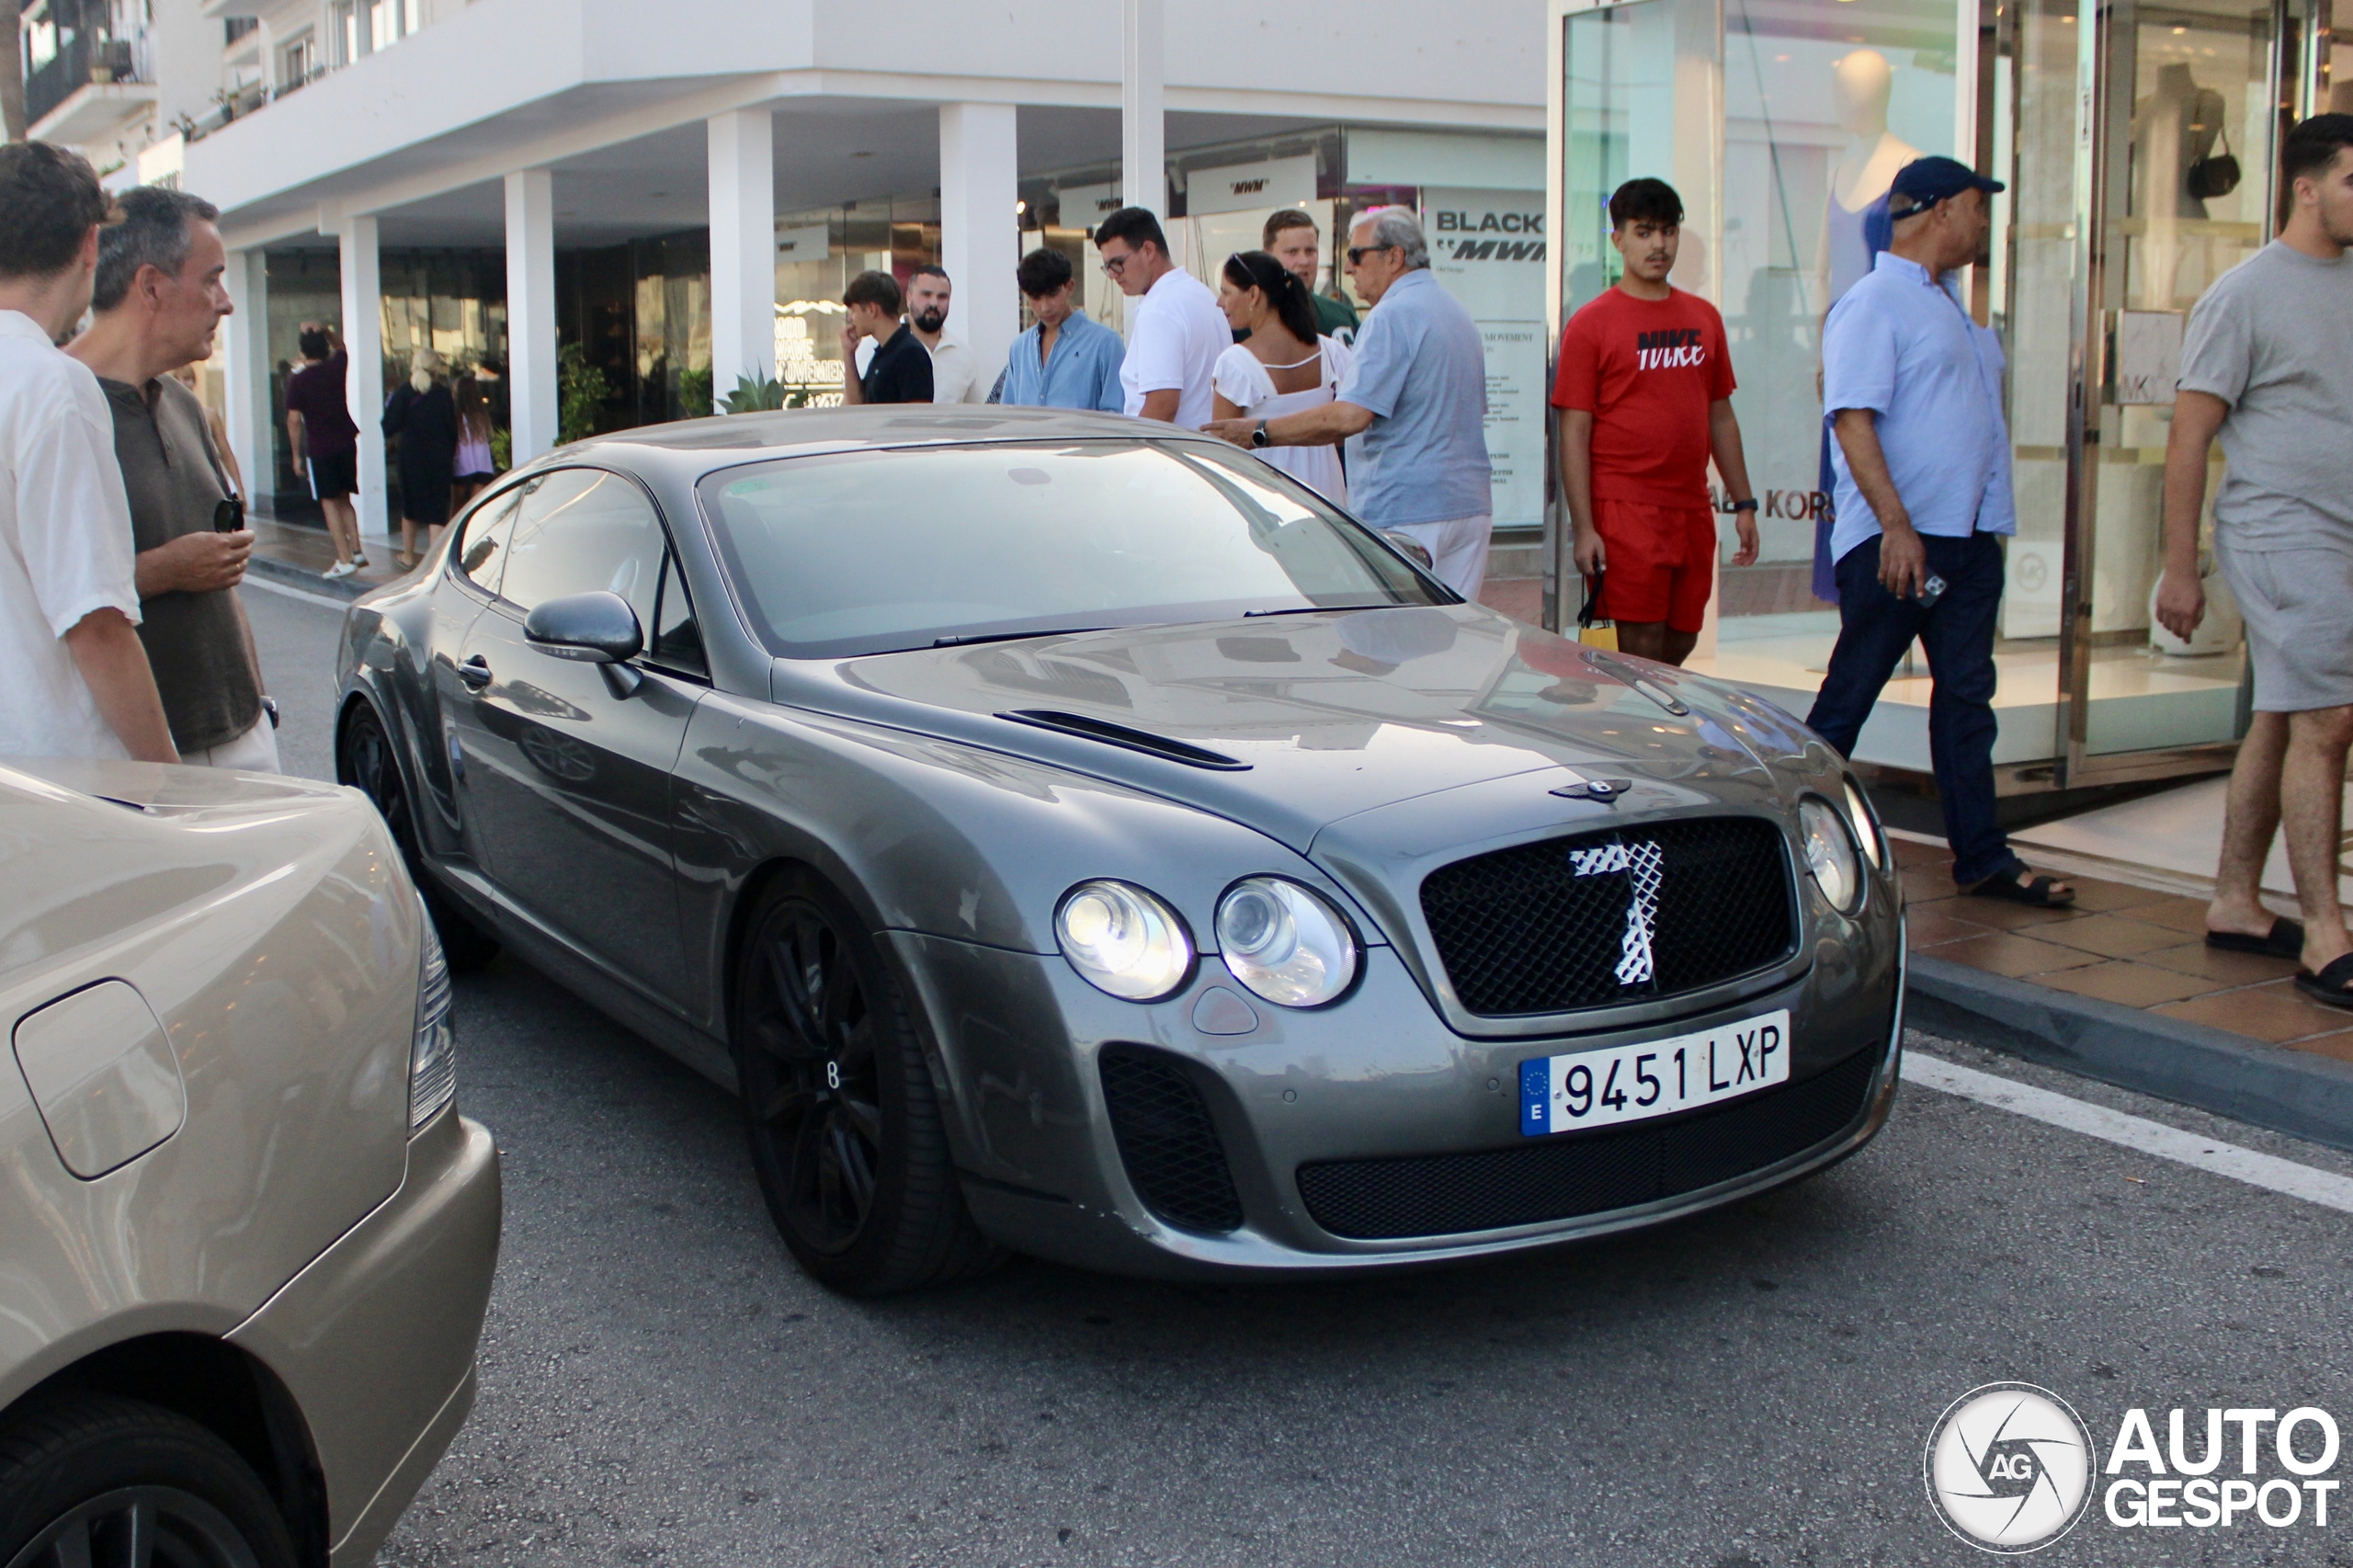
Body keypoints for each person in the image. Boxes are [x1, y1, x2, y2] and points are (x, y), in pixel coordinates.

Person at [1803, 155, 2072, 908]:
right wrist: (1896, 527)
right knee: (1849, 698)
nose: (1986, 223)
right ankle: (1783, 841)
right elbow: (1852, 419)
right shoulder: (1874, 304)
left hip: (1968, 537)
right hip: (1903, 542)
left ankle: (1982, 858)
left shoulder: (1950, 307)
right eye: (1978, 208)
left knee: (1965, 702)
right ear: (1942, 210)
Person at [2153, 114, 2353, 1004]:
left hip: (2339, 533)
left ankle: (2235, 899)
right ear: (2305, 188)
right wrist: (2179, 566)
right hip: (2278, 533)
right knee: (2330, 719)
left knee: (2282, 716)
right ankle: (2325, 934)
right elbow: (2189, 435)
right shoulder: (2242, 294)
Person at [65, 186, 275, 772]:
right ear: (152, 286)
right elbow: (35, 597)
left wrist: (259, 704)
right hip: (138, 766)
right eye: (211, 279)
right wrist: (164, 569)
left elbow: (221, 578)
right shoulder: (55, 407)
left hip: (245, 736)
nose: (226, 303)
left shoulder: (184, 405)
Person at [1202, 207, 1494, 596]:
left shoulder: (1391, 316)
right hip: (1469, 504)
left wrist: (1260, 431)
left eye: (1356, 255)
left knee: (1397, 642)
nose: (1349, 267)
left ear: (1394, 257)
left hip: (1409, 508)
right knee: (1455, 634)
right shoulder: (1455, 311)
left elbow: (1351, 416)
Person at [0, 142, 177, 764]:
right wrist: (172, 790)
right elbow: (95, 623)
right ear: (89, 246)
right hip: (58, 784)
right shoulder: (51, 384)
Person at [1552, 177, 1760, 666]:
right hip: (1623, 507)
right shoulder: (1591, 323)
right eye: (1644, 232)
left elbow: (1720, 416)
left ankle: (1658, 739)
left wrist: (1744, 502)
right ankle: (1630, 741)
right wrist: (1584, 527)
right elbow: (1573, 431)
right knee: (1637, 647)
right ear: (1618, 239)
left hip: (1690, 506)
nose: (1658, 244)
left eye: (1668, 231)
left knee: (1681, 640)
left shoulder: (1703, 317)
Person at [1209, 250, 1351, 504]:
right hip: (1328, 497)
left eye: (1227, 292)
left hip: (1265, 501)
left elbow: (1223, 452)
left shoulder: (1234, 364)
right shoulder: (1332, 352)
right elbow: (1345, 430)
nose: (1220, 302)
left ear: (1253, 294)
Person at [1094, 206, 1227, 426]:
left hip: (1173, 453)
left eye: (1117, 264)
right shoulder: (1201, 294)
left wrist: (1134, 455)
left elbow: (1162, 406)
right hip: (1209, 448)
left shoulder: (1159, 309)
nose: (1112, 275)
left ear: (1148, 250)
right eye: (1107, 267)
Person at [285, 322, 368, 578]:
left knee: (328, 501)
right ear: (324, 348)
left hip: (321, 446)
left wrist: (296, 455)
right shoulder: (336, 367)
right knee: (344, 497)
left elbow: (293, 419)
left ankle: (343, 559)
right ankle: (357, 550)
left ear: (303, 351)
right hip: (346, 440)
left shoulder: (297, 381)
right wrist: (326, 329)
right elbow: (341, 346)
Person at [997, 247, 1125, 412]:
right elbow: (1009, 413)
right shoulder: (1020, 347)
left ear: (1070, 286)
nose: (1045, 307)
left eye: (1052, 294)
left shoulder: (1105, 343)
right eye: (1035, 298)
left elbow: (1117, 415)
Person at [382, 347, 458, 570]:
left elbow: (388, 427)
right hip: (439, 458)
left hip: (411, 458)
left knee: (410, 508)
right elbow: (452, 430)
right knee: (437, 511)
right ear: (436, 370)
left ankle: (408, 555)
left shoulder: (403, 392)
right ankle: (434, 562)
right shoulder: (443, 394)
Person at [1262, 209, 1358, 344]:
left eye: (1310, 251)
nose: (1304, 261)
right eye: (1292, 252)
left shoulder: (1341, 319)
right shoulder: (1245, 323)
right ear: (1267, 256)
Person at [838, 269, 932, 405]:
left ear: (871, 309)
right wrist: (848, 353)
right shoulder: (881, 353)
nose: (850, 318)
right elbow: (856, 405)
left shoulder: (911, 354)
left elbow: (918, 416)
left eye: (854, 310)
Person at [904, 265, 983, 404]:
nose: (934, 303)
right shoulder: (880, 345)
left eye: (942, 297)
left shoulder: (964, 355)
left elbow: (975, 416)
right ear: (908, 298)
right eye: (926, 295)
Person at [451, 373, 496, 509]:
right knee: (477, 508)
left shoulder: (455, 417)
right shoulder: (482, 417)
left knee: (458, 508)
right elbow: (490, 439)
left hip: (461, 468)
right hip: (483, 467)